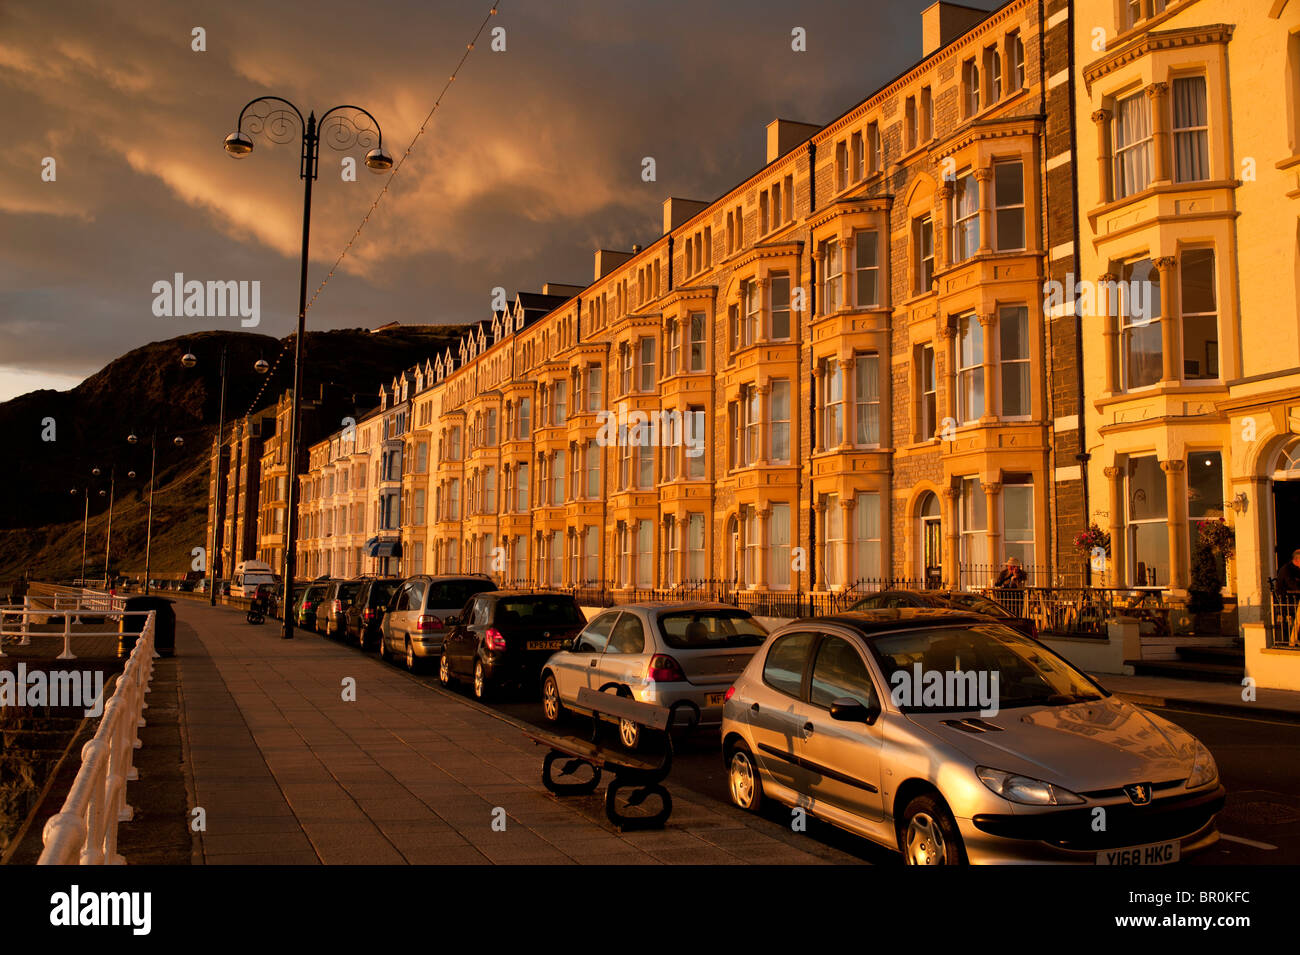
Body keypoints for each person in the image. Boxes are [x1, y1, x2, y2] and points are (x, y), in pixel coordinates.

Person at [1277, 550, 1300, 645]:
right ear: (1297, 560)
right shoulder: (1286, 570)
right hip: (1287, 601)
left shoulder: (1295, 569)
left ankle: (1294, 637)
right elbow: (1292, 585)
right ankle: (1293, 639)